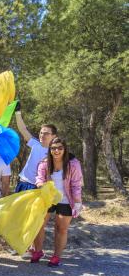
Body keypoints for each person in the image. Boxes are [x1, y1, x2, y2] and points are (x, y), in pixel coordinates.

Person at [15, 104, 58, 256]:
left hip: (37, 188)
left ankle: (34, 249)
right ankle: (23, 246)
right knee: (21, 218)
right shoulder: (34, 144)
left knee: (35, 221)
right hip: (23, 184)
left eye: (46, 133)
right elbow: (23, 130)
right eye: (41, 133)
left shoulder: (55, 152)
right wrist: (18, 113)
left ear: (53, 136)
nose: (42, 135)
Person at [32, 138, 83, 266]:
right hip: (48, 198)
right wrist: (40, 184)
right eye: (53, 148)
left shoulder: (73, 164)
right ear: (49, 150)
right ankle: (38, 251)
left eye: (60, 148)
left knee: (61, 229)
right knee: (38, 225)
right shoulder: (44, 163)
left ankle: (56, 256)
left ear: (64, 149)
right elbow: (39, 178)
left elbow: (76, 184)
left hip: (66, 200)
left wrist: (77, 202)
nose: (56, 150)